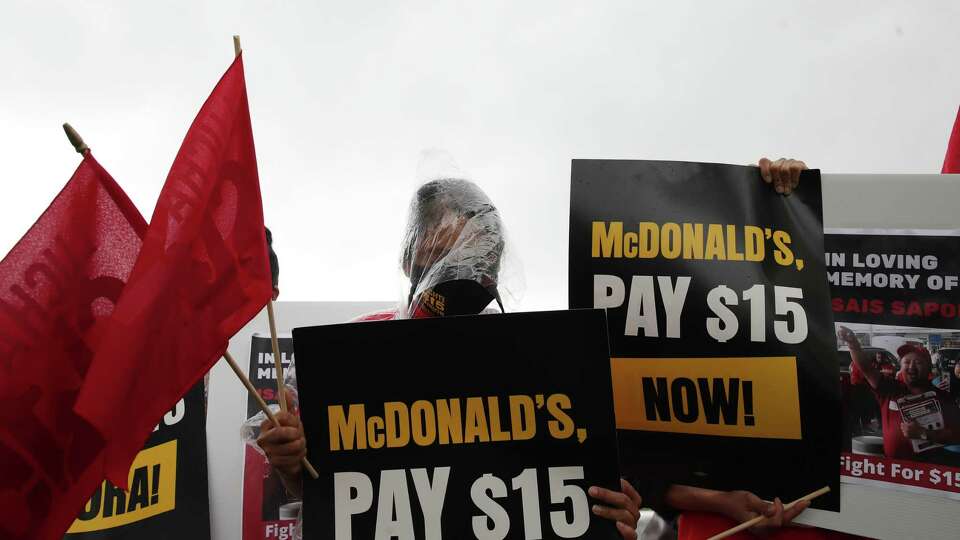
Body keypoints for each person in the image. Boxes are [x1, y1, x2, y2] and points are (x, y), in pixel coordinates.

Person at [256, 157, 812, 538]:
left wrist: (617, 513)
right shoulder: (351, 356)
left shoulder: (545, 365)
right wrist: (290, 460)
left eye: (485, 256)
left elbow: (595, 495)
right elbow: (322, 494)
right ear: (411, 255)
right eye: (455, 250)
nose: (472, 271)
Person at [838, 326, 960, 463]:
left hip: (928, 472)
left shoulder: (942, 397)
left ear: (928, 367)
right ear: (901, 367)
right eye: (906, 362)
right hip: (894, 471)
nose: (911, 367)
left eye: (918, 362)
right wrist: (853, 344)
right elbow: (866, 368)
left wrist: (924, 433)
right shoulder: (890, 389)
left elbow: (956, 435)